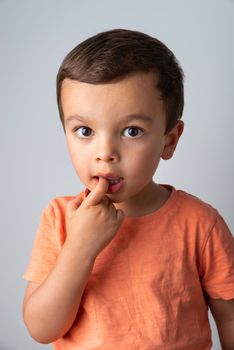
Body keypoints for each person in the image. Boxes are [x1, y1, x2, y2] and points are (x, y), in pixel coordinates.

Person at [22, 29, 234, 350]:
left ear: (169, 140)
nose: (105, 152)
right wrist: (80, 247)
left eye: (131, 131)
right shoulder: (61, 219)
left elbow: (229, 318)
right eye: (85, 130)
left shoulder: (200, 224)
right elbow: (41, 328)